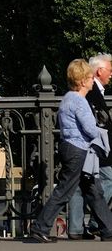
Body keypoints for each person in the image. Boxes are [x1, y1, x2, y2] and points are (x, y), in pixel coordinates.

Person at [29, 59, 112, 243]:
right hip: (79, 149)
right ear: (82, 81)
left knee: (93, 190)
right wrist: (99, 131)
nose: (92, 82)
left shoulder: (67, 98)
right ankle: (40, 228)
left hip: (69, 147)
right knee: (64, 190)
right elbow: (90, 129)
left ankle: (108, 230)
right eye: (90, 78)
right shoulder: (80, 101)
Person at [67, 53, 112, 239]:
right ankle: (96, 223)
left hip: (87, 145)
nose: (111, 74)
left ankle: (77, 228)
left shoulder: (91, 92)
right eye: (110, 70)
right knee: (106, 180)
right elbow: (95, 120)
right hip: (93, 145)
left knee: (79, 185)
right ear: (99, 71)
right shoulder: (90, 92)